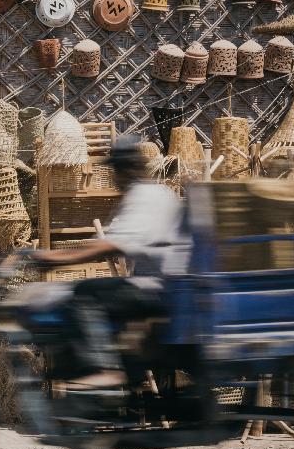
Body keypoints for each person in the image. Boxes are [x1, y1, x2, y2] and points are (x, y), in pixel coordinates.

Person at [30, 135, 189, 389]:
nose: (114, 176)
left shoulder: (145, 196)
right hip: (159, 286)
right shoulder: (150, 195)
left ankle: (106, 369)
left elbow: (108, 245)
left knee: (85, 292)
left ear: (125, 170)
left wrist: (55, 258)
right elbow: (115, 238)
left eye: (115, 170)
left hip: (157, 288)